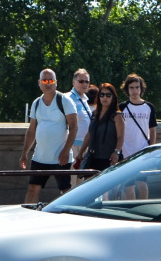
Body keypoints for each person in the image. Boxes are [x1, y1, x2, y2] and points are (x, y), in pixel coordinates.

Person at [19, 68, 77, 204]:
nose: (48, 84)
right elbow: (32, 130)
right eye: (45, 81)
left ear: (56, 83)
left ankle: (68, 216)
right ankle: (29, 215)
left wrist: (65, 151)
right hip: (40, 156)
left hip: (60, 157)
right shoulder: (37, 103)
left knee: (65, 190)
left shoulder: (65, 101)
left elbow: (74, 127)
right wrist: (24, 153)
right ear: (39, 83)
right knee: (33, 188)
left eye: (51, 80)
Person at [117, 73, 157, 199]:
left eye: (137, 87)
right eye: (132, 88)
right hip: (125, 150)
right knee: (128, 184)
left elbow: (153, 129)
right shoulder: (122, 107)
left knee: (142, 183)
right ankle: (131, 210)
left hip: (143, 150)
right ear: (127, 89)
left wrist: (152, 149)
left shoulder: (149, 107)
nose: (135, 91)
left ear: (141, 89)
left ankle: (144, 208)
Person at [81, 82, 121, 171]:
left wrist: (116, 152)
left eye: (108, 95)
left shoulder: (117, 115)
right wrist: (80, 153)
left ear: (113, 97)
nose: (104, 98)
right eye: (102, 95)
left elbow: (121, 136)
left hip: (109, 158)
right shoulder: (94, 114)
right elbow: (89, 135)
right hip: (93, 157)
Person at [67, 68, 92, 168]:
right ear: (73, 82)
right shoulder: (68, 98)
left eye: (87, 82)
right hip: (74, 144)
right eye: (81, 81)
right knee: (73, 179)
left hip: (85, 144)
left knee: (82, 180)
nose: (84, 84)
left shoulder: (85, 99)